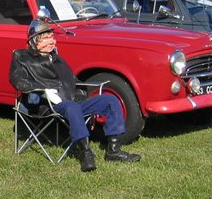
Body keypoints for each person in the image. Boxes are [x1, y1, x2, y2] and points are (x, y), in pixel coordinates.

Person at [9, 19, 141, 172]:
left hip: (70, 101)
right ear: (33, 41)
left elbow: (73, 81)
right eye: (45, 38)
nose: (51, 41)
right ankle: (85, 153)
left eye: (51, 37)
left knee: (110, 100)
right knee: (72, 107)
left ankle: (113, 151)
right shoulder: (22, 57)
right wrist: (43, 90)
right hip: (46, 105)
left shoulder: (57, 59)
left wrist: (86, 96)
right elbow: (17, 80)